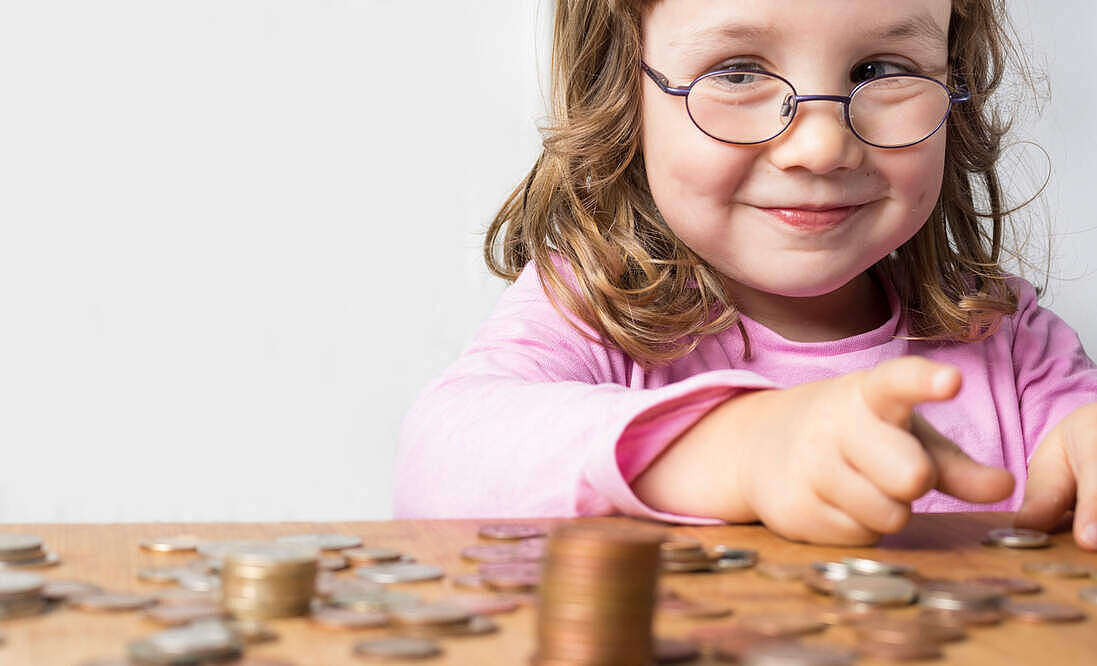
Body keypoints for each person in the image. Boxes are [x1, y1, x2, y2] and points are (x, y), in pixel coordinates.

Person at [394, 0, 1097, 549]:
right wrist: (738, 448)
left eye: (880, 70)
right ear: (619, 93)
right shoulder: (588, 315)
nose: (820, 147)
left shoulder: (1011, 342)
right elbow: (436, 462)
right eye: (736, 72)